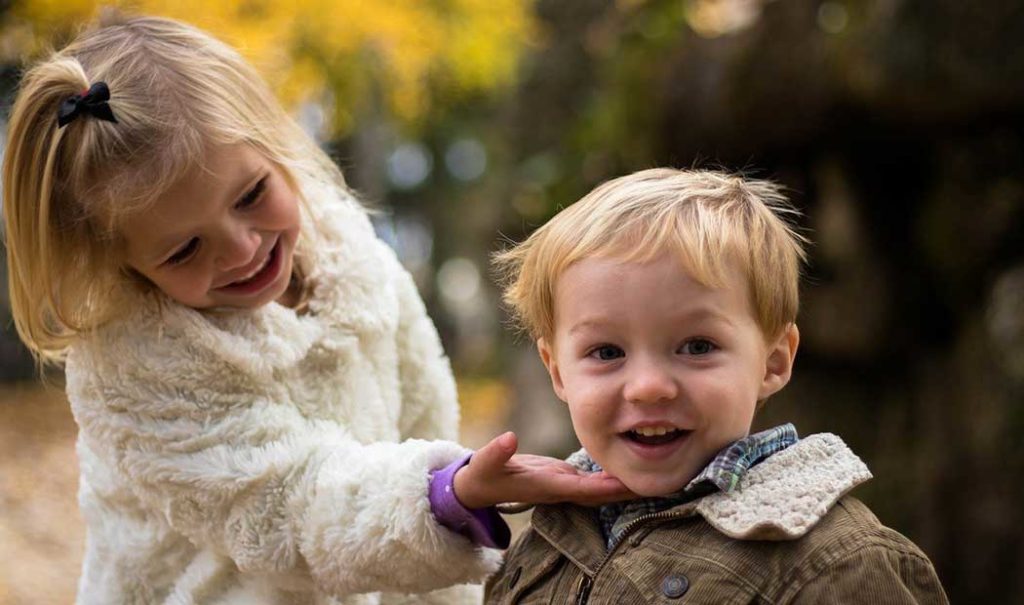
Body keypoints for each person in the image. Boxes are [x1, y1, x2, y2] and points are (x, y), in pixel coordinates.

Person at [1, 14, 631, 604]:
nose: (242, 250)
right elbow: (287, 511)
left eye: (252, 194)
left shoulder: (351, 261)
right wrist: (444, 497)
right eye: (186, 248)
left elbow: (422, 415)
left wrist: (452, 567)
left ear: (275, 147)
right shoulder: (133, 367)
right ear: (124, 264)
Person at [486, 168, 949, 603]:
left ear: (773, 361)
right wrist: (450, 498)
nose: (648, 387)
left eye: (697, 346)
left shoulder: (837, 562)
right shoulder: (546, 536)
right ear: (558, 372)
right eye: (607, 353)